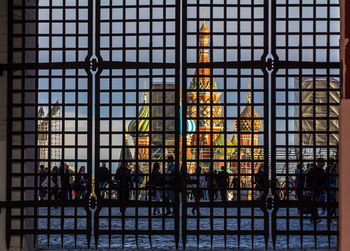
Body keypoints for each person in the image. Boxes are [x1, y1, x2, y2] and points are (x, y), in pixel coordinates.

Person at [306, 158, 326, 223]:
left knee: (315, 203)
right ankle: (316, 217)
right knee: (314, 203)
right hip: (313, 189)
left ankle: (313, 218)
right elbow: (308, 180)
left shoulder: (323, 171)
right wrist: (308, 188)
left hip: (319, 189)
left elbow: (324, 181)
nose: (323, 164)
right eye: (322, 163)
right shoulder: (312, 170)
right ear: (319, 163)